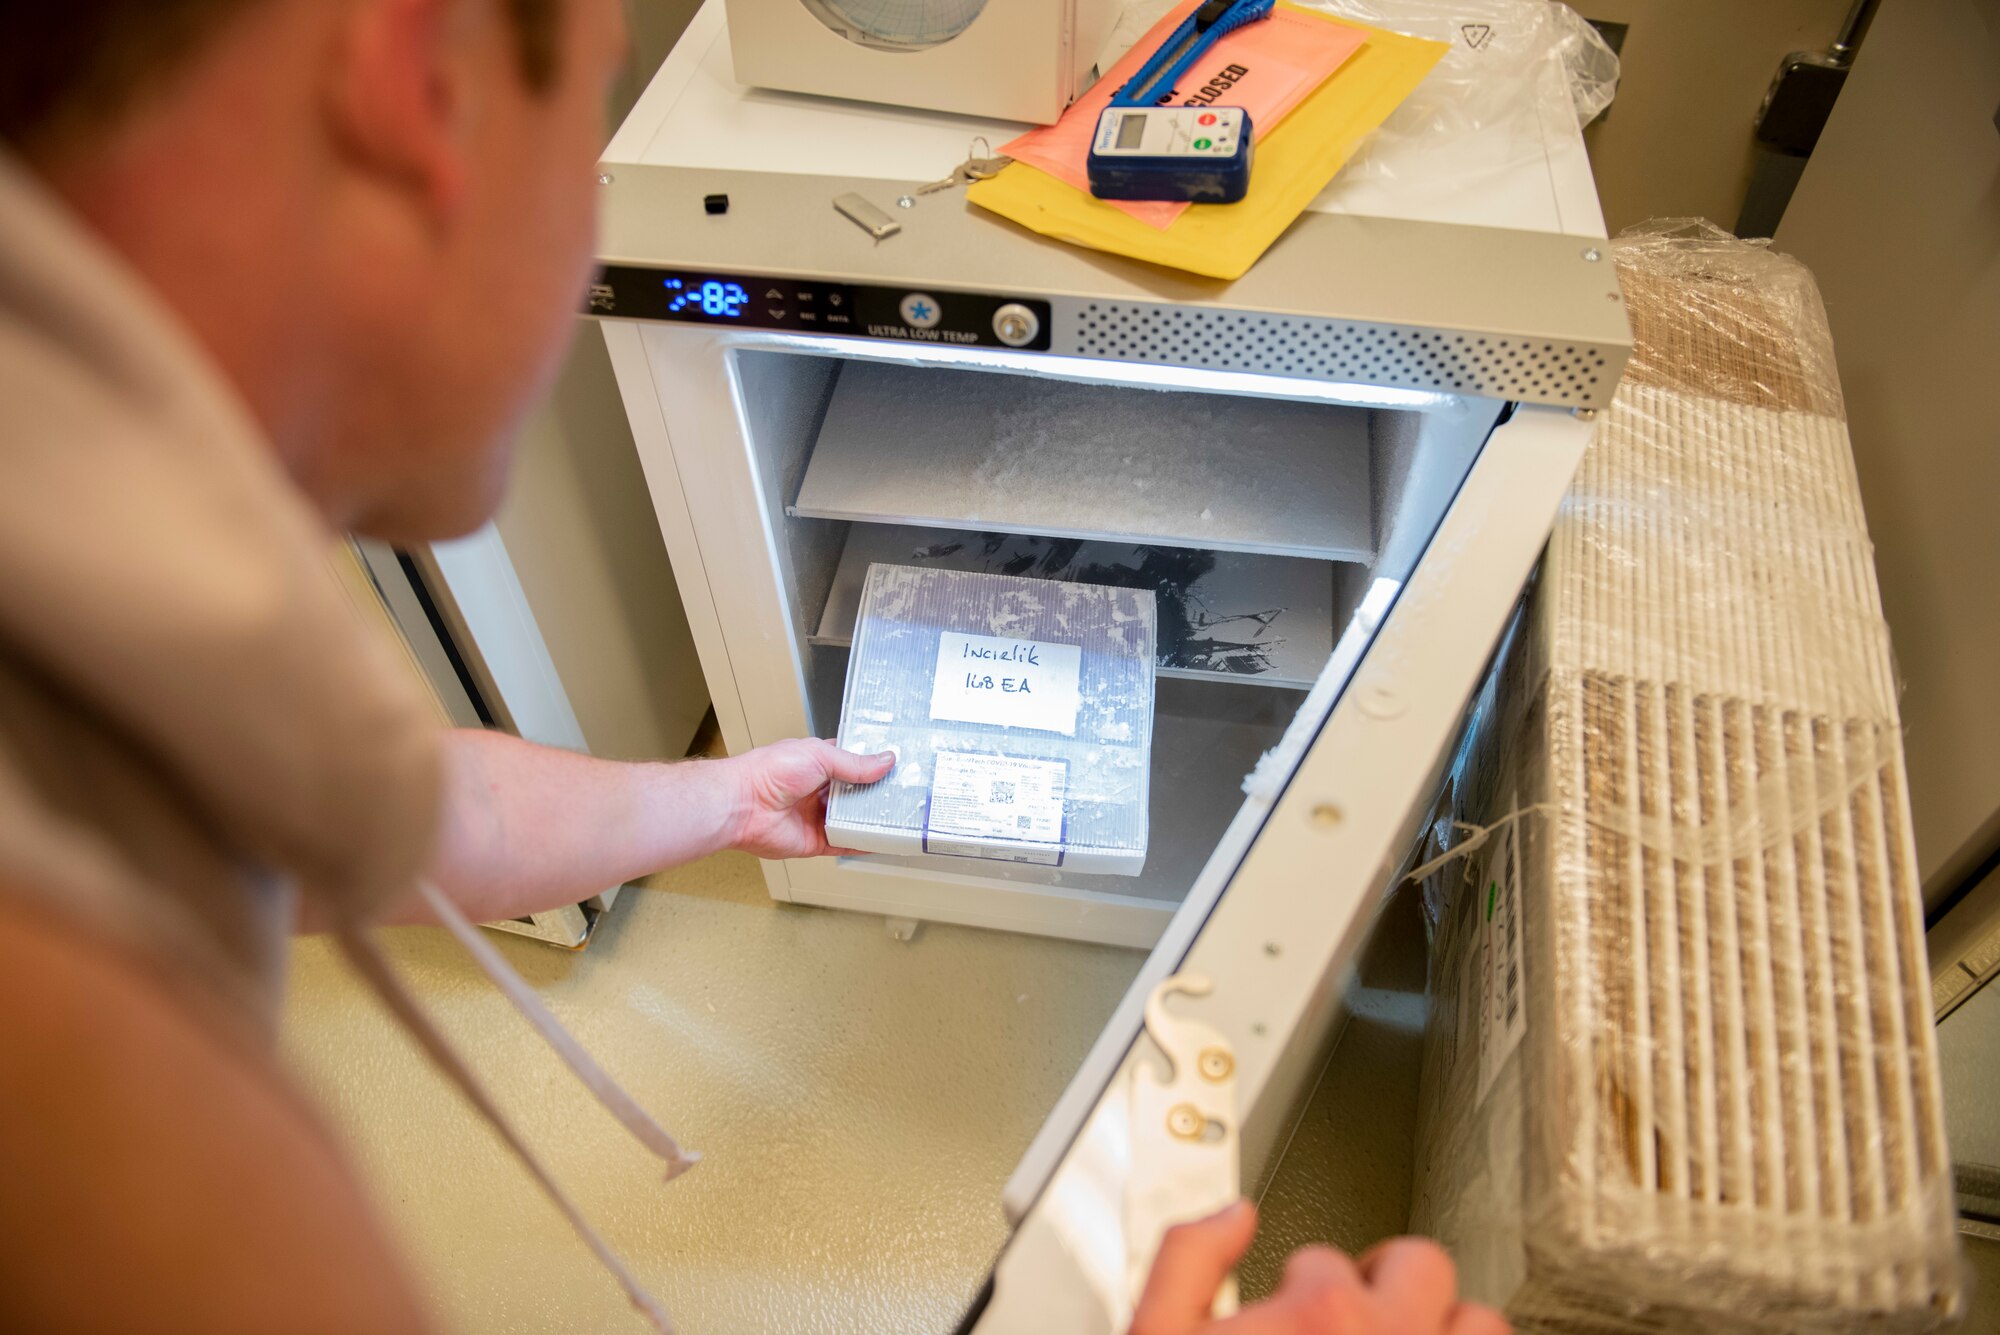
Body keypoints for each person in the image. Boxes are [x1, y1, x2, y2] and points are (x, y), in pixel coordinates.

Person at [0, 2, 1507, 1332]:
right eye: (590, 107)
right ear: (424, 79)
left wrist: (725, 802)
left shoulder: (95, 561)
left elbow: (393, 816)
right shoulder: (71, 1027)